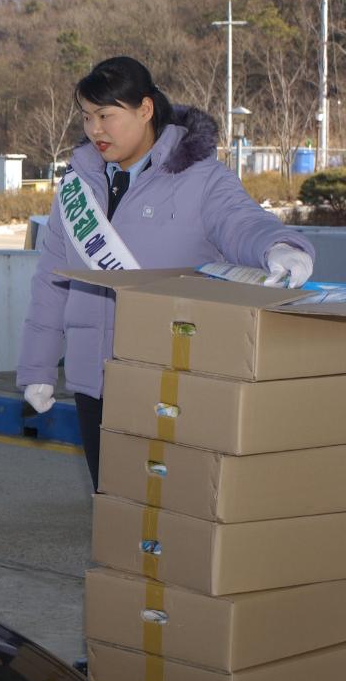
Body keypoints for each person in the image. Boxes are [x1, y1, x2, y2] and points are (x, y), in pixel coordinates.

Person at [18, 56, 315, 490]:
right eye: (85, 117)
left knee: (174, 513)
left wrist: (282, 248)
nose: (94, 129)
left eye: (106, 115)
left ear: (145, 109)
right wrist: (37, 368)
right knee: (116, 509)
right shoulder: (77, 188)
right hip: (92, 383)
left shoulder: (201, 178)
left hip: (171, 379)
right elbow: (51, 283)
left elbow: (242, 222)